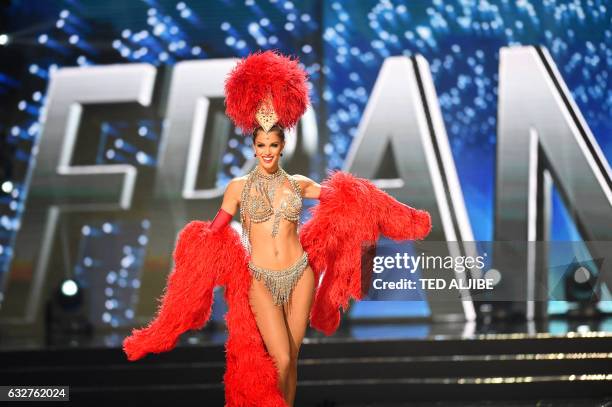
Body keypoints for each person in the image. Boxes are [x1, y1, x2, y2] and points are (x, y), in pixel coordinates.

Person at [123, 50, 432, 407]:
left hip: (299, 276)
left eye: (273, 145)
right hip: (260, 279)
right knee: (277, 359)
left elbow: (347, 196)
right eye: (260, 145)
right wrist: (201, 247)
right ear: (253, 148)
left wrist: (375, 202)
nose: (267, 151)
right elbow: (215, 229)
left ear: (282, 146)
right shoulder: (237, 188)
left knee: (291, 362)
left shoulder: (299, 184)